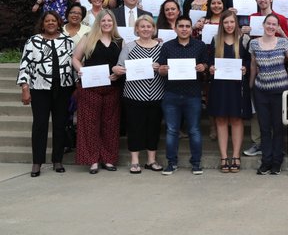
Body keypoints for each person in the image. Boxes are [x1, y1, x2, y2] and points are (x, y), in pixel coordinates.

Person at [18, 11, 75, 177]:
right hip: (39, 88)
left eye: (54, 20)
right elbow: (25, 65)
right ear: (43, 24)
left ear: (58, 23)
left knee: (60, 125)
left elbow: (74, 63)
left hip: (63, 88)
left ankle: (57, 160)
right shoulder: (33, 41)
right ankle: (37, 162)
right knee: (40, 125)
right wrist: (25, 87)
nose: (51, 23)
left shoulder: (67, 41)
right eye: (47, 21)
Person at [112, 15, 165, 173]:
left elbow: (167, 68)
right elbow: (118, 66)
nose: (145, 29)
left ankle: (151, 160)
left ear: (153, 29)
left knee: (153, 128)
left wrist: (160, 67)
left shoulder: (162, 47)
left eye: (148, 26)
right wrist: (118, 70)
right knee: (135, 128)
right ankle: (134, 162)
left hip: (157, 94)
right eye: (142, 26)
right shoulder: (129, 47)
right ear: (136, 29)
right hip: (133, 95)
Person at [72, 9, 123, 174]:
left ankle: (108, 159)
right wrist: (81, 70)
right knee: (89, 125)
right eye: (104, 21)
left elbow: (123, 63)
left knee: (110, 125)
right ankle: (92, 160)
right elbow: (75, 58)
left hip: (112, 88)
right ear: (98, 22)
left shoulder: (119, 41)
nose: (107, 23)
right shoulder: (88, 38)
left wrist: (118, 72)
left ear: (113, 23)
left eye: (110, 21)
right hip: (90, 88)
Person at [157, 15, 209, 175]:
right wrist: (163, 70)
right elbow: (160, 68)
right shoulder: (167, 46)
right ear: (175, 28)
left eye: (187, 26)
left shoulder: (200, 46)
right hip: (171, 94)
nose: (184, 29)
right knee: (172, 130)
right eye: (181, 26)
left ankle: (196, 163)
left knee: (194, 129)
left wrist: (203, 67)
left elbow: (206, 65)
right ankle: (171, 163)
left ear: (191, 28)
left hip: (193, 94)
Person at [207, 10, 251, 173]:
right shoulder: (215, 40)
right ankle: (224, 156)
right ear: (221, 24)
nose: (229, 25)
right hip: (220, 86)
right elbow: (210, 60)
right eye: (226, 22)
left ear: (236, 23)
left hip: (237, 86)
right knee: (221, 120)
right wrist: (211, 67)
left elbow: (248, 60)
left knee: (236, 120)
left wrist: (245, 68)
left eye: (232, 22)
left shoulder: (244, 40)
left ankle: (236, 156)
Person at [249, 14, 288, 174]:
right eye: (269, 23)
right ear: (264, 24)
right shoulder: (254, 43)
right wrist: (250, 85)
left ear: (277, 27)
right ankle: (266, 161)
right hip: (261, 90)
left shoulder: (282, 42)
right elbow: (253, 65)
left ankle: (276, 162)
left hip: (280, 91)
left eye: (274, 24)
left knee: (278, 127)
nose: (271, 27)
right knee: (264, 127)